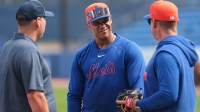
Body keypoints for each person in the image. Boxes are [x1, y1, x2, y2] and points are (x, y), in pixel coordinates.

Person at [116, 0, 199, 112]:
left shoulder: (165, 54)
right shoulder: (183, 49)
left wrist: (137, 104)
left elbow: (169, 94)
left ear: (154, 22)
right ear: (177, 22)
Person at [67, 2, 146, 112]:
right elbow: (74, 96)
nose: (102, 25)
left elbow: (139, 90)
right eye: (96, 23)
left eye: (105, 20)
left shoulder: (129, 49)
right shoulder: (81, 56)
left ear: (111, 19)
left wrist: (130, 103)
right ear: (89, 26)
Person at [0, 0, 56, 112]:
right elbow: (35, 96)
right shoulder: (28, 50)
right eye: (44, 18)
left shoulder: (8, 46)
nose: (45, 22)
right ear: (38, 21)